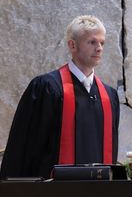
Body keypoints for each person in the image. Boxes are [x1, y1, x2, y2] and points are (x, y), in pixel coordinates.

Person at [0, 15, 120, 179]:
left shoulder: (109, 96)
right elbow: (24, 146)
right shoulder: (46, 88)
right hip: (52, 191)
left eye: (102, 43)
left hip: (97, 192)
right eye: (92, 42)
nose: (99, 48)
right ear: (72, 45)